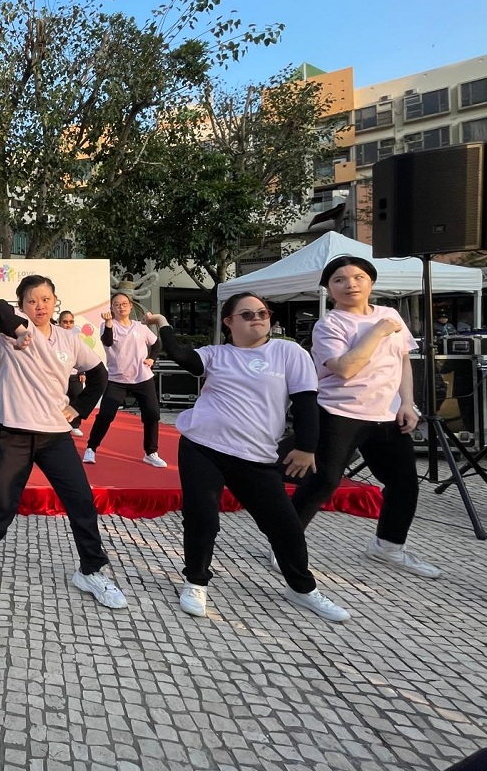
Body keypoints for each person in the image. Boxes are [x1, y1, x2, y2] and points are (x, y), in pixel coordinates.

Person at [145, 293, 350, 623]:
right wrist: (163, 323)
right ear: (229, 322)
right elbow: (182, 356)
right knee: (202, 518)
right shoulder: (217, 355)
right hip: (202, 446)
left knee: (285, 525)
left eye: (262, 313)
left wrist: (306, 447)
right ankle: (196, 581)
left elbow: (305, 403)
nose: (257, 318)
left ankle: (302, 588)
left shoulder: (289, 353)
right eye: (247, 314)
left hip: (256, 456)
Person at [0, 275, 127, 610]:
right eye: (32, 301)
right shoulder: (13, 332)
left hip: (55, 436)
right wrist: (20, 331)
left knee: (81, 502)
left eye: (46, 299)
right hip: (12, 434)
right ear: (22, 305)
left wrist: (78, 409)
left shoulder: (69, 339)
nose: (40, 306)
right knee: (1, 504)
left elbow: (99, 376)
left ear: (55, 301)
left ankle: (91, 571)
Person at [289, 256, 440, 578]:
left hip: (387, 414)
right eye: (339, 280)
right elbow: (345, 368)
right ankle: (284, 544)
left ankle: (388, 547)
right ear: (329, 289)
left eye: (358, 277)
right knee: (324, 481)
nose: (350, 284)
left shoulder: (390, 314)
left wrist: (407, 403)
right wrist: (378, 331)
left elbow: (402, 361)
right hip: (339, 412)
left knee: (404, 484)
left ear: (371, 281)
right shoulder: (329, 325)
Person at [83, 293, 165, 468]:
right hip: (117, 379)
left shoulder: (140, 327)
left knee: (152, 414)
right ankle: (91, 448)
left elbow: (156, 343)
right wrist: (108, 322)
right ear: (112, 308)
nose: (121, 307)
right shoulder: (107, 325)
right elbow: (107, 342)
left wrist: (152, 358)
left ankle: (151, 453)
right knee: (106, 415)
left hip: (142, 377)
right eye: (117, 304)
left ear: (130, 306)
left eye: (124, 304)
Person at [58, 310, 87, 437]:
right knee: (58, 401)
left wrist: (82, 372)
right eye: (65, 322)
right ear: (59, 323)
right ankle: (58, 425)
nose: (68, 325)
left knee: (77, 399)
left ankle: (75, 425)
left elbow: (82, 357)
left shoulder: (76, 339)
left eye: (71, 322)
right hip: (58, 376)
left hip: (74, 375)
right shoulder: (53, 337)